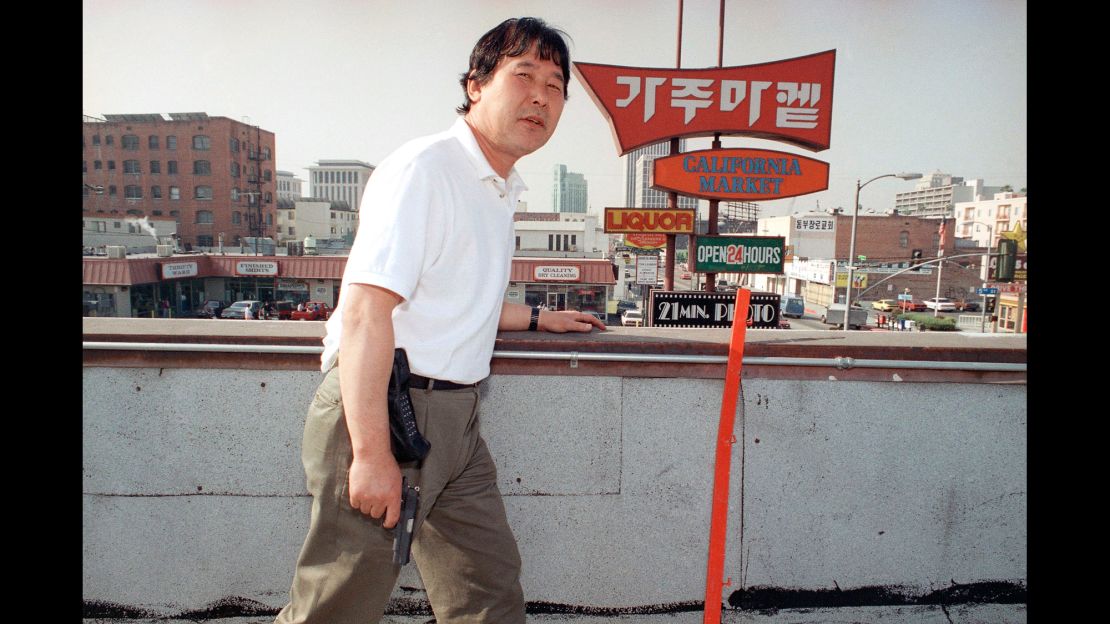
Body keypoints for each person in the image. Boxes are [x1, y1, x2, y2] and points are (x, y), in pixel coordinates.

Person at [274, 17, 602, 624]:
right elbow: (369, 312)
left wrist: (536, 319)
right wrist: (371, 455)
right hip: (389, 411)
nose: (541, 96)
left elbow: (447, 294)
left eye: (556, 86)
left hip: (457, 422)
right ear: (476, 84)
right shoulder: (426, 168)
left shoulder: (497, 186)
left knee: (488, 591)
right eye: (523, 75)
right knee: (336, 604)